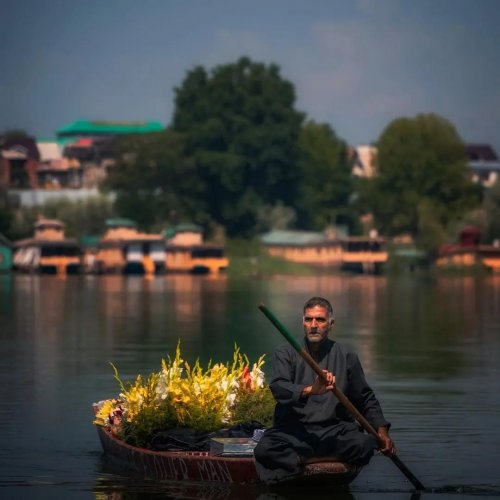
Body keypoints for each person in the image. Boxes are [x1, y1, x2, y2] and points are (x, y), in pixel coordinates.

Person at [254, 296, 395, 483]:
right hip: (296, 433)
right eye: (309, 319)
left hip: (335, 433)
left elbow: (364, 398)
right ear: (303, 322)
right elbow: (279, 388)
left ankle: (303, 462)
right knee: (265, 449)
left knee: (366, 443)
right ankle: (317, 461)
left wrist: (382, 432)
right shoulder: (285, 353)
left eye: (320, 320)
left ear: (331, 324)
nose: (314, 325)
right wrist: (311, 390)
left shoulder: (346, 356)